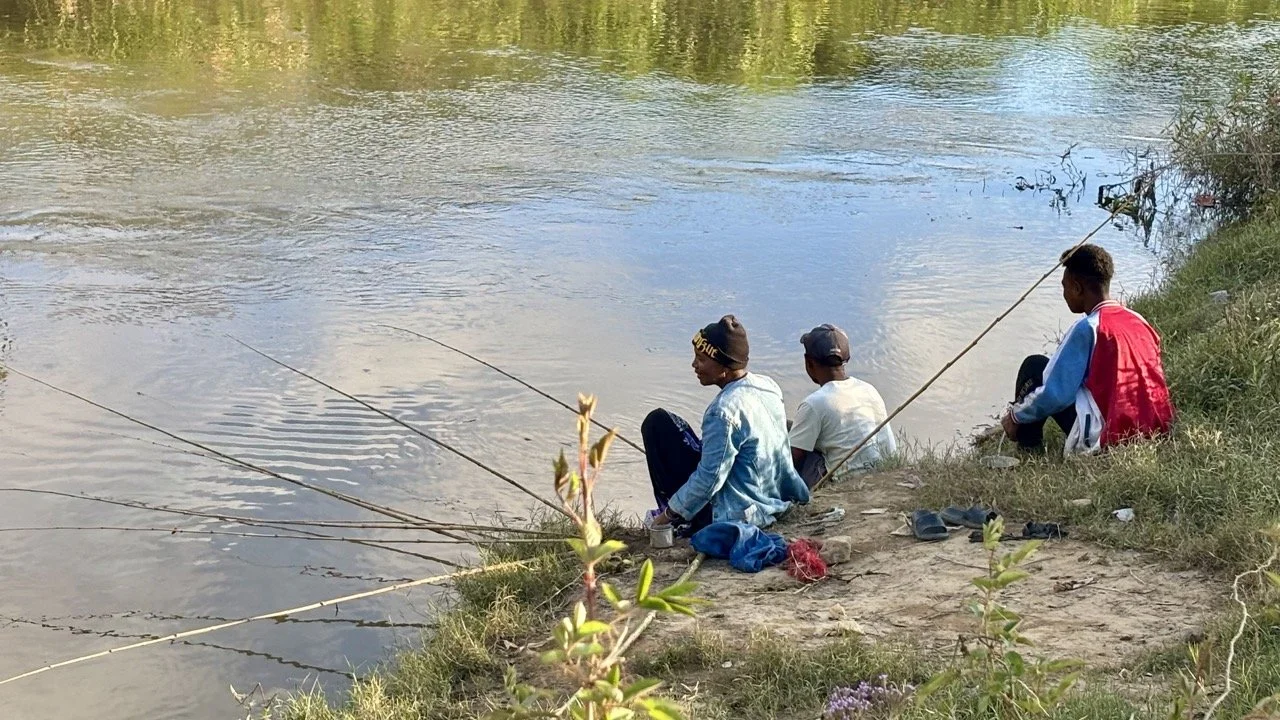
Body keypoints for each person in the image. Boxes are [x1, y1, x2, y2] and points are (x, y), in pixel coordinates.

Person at [1001, 243, 1174, 454]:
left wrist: (1015, 415)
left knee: (1035, 367)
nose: (1064, 294)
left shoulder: (1088, 328)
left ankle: (1029, 448)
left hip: (1111, 437)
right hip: (1157, 428)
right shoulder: (1138, 320)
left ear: (1077, 288)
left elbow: (1055, 394)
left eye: (1064, 287)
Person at [642, 315, 809, 532]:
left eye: (701, 359)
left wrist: (668, 516)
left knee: (657, 424)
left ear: (724, 367)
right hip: (774, 492)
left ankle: (680, 516)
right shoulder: (768, 385)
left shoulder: (722, 411)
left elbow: (709, 479)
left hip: (740, 509)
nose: (694, 365)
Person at [789, 324, 897, 487]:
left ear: (808, 362)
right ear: (846, 360)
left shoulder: (814, 403)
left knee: (786, 433)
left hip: (846, 483)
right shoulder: (868, 389)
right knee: (796, 428)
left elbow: (790, 459)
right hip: (883, 473)